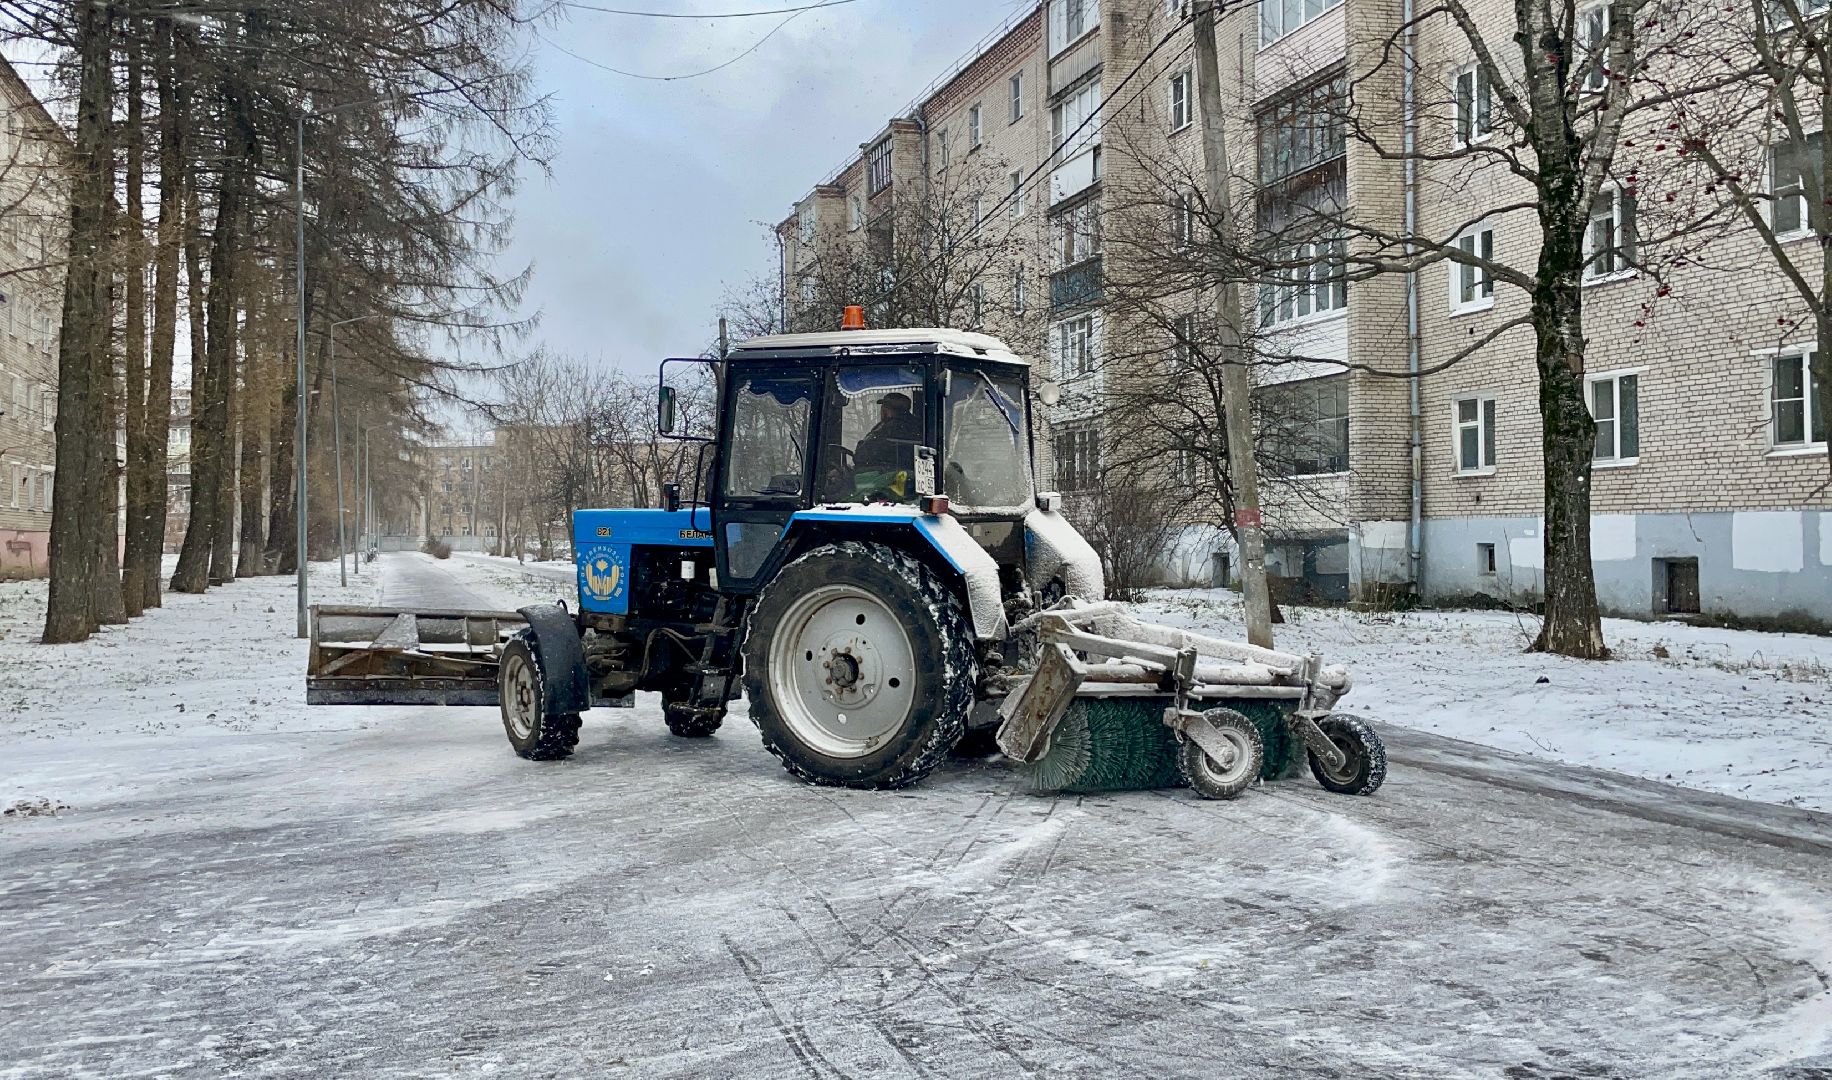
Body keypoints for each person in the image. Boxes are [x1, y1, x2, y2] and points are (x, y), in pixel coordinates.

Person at [855, 393, 922, 469]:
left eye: (884, 407)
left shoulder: (887, 429)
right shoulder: (919, 425)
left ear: (888, 410)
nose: (882, 410)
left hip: (887, 474)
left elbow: (861, 456)